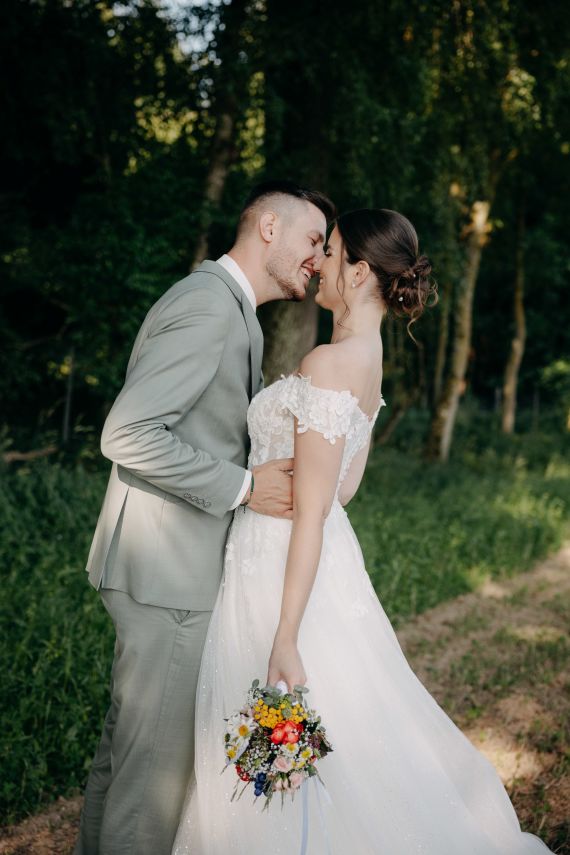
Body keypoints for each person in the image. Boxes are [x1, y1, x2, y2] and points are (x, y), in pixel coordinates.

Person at [173, 209, 553, 854]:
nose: (318, 261)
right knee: (302, 747)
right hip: (302, 556)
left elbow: (318, 510)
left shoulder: (328, 361)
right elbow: (343, 488)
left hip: (282, 570)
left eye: (333, 250)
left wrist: (286, 634)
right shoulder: (368, 359)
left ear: (359, 270)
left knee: (280, 736)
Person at [74, 180, 337, 855]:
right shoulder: (209, 306)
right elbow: (128, 433)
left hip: (166, 569)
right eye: (313, 239)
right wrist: (242, 486)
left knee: (124, 759)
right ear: (268, 227)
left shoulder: (231, 308)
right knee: (151, 785)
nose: (319, 256)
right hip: (168, 573)